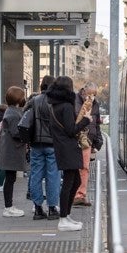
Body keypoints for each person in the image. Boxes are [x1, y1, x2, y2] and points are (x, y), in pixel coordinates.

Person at [46, 76, 90, 231]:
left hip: (62, 147)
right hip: (68, 148)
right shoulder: (65, 106)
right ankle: (63, 219)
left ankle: (66, 214)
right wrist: (86, 120)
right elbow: (71, 130)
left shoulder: (54, 106)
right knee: (69, 183)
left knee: (75, 181)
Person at [24, 75, 61, 220]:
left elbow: (25, 116)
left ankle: (38, 208)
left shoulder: (34, 100)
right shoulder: (55, 102)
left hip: (36, 144)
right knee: (53, 176)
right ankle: (52, 208)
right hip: (52, 144)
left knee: (36, 175)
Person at [0, 86, 28, 217]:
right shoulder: (14, 113)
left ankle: (9, 206)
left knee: (10, 178)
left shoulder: (10, 111)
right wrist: (27, 137)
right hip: (12, 150)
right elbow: (17, 132)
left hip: (9, 150)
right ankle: (8, 207)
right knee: (10, 179)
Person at [73, 82, 103, 207]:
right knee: (75, 168)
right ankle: (74, 194)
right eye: (90, 94)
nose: (91, 97)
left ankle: (80, 195)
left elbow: (96, 124)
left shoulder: (95, 105)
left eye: (94, 94)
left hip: (88, 140)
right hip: (76, 138)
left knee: (85, 168)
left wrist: (98, 140)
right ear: (84, 91)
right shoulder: (75, 101)